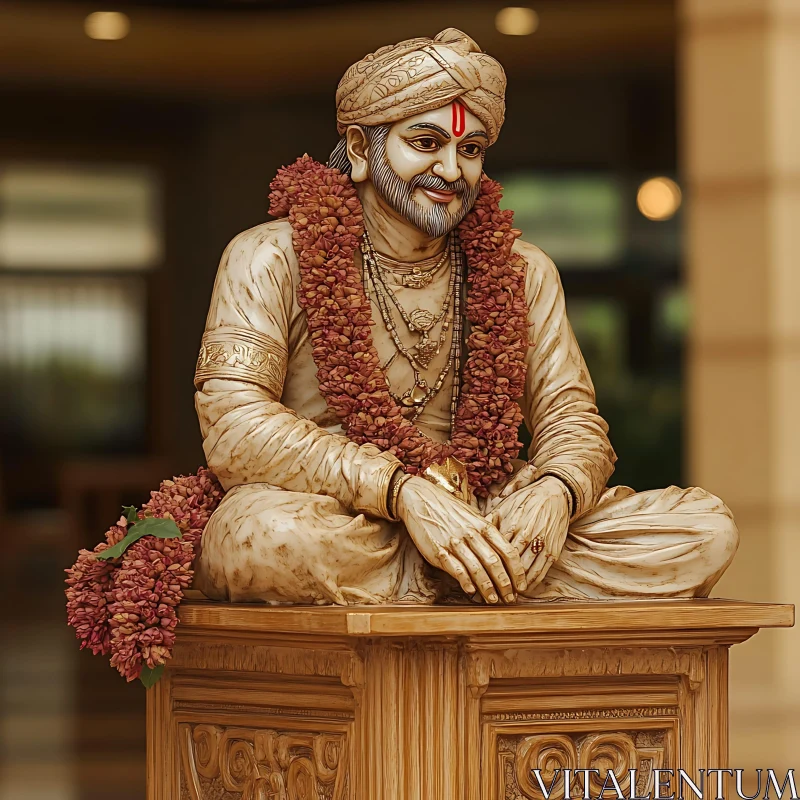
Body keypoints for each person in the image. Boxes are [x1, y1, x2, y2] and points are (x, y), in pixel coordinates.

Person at [192, 29, 737, 606]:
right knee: (258, 539)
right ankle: (470, 575)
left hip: (489, 513)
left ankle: (470, 567)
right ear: (358, 148)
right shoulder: (271, 256)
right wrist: (401, 492)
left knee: (704, 531)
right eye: (426, 142)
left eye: (471, 150)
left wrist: (555, 493)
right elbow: (234, 426)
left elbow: (572, 418)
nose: (451, 171)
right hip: (345, 517)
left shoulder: (523, 270)